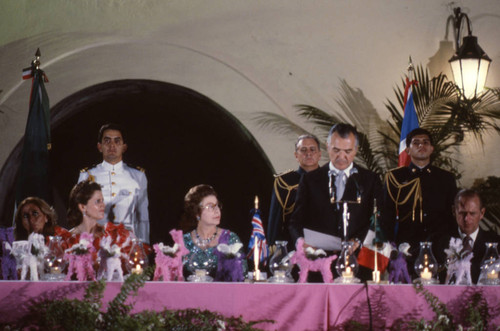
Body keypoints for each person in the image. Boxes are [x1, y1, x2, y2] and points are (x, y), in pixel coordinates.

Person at [289, 123, 382, 251]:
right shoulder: (310, 180)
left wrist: (358, 241)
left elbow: (378, 218)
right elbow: (295, 222)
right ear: (327, 147)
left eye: (348, 151)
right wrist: (301, 242)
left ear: (356, 150)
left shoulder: (370, 180)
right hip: (319, 259)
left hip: (357, 259)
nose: (341, 157)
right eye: (336, 150)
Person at [382, 128, 457, 263]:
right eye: (416, 143)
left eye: (425, 142)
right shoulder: (395, 177)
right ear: (408, 150)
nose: (421, 145)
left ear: (431, 148)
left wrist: (453, 243)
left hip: (440, 245)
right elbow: (387, 215)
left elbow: (453, 215)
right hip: (407, 246)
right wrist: (389, 245)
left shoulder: (446, 178)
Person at [78, 123, 150, 243]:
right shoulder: (87, 175)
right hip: (96, 241)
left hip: (128, 242)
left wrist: (144, 245)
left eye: (117, 141)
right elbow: (81, 214)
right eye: (107, 141)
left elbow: (142, 216)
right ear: (99, 147)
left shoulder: (138, 176)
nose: (112, 145)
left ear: (124, 147)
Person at [180, 184, 247, 280]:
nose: (217, 211)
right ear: (196, 212)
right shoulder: (184, 241)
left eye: (217, 205)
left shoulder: (230, 239)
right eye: (210, 206)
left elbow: (241, 277)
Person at [267, 134, 321, 251]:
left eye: (312, 149)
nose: (308, 153)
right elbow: (276, 220)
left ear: (319, 154)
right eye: (303, 150)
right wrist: (274, 247)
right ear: (296, 155)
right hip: (292, 247)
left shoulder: (330, 180)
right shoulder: (284, 181)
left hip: (324, 247)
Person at [437, 189, 500, 284]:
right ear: (454, 211)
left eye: (472, 213)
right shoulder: (439, 241)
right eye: (462, 213)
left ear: (482, 213)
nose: (467, 218)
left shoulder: (496, 243)